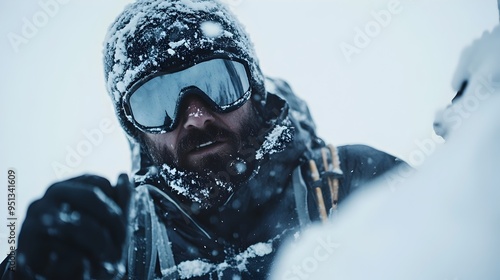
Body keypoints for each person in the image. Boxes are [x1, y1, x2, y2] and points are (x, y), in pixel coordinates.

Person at [0, 0, 405, 279]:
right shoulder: (115, 241)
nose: (195, 117)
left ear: (255, 93)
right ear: (136, 132)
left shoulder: (359, 185)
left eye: (217, 83)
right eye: (157, 102)